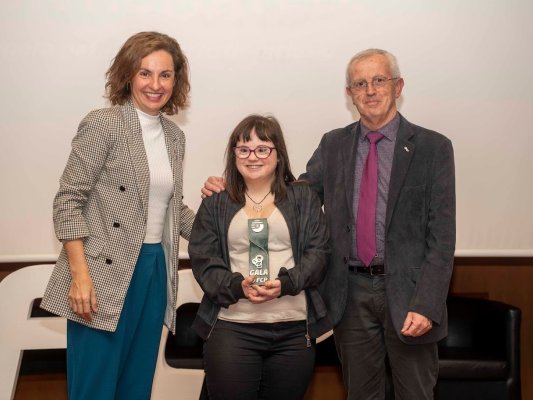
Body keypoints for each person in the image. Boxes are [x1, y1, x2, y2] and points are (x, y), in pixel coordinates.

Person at [202, 49, 456, 399]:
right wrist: (235, 185)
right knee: (360, 394)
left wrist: (426, 303)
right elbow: (296, 193)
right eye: (359, 84)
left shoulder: (433, 147)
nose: (370, 91)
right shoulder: (334, 143)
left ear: (398, 86)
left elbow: (442, 237)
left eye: (378, 81)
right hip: (348, 294)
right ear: (349, 94)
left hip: (409, 296)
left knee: (415, 393)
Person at [40, 31, 195, 399]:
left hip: (154, 269)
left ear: (176, 80)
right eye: (145, 73)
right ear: (128, 75)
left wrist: (232, 215)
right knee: (94, 386)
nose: (155, 84)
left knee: (136, 385)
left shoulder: (174, 136)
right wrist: (80, 277)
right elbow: (67, 201)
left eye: (165, 75)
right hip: (101, 273)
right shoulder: (103, 124)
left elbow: (174, 209)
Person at [189, 115, 330, 400]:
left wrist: (285, 284)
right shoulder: (216, 202)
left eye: (263, 148)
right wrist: (237, 286)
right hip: (232, 328)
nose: (253, 157)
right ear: (234, 155)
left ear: (278, 155)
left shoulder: (303, 199)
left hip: (294, 331)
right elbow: (203, 260)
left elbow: (320, 253)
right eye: (244, 149)